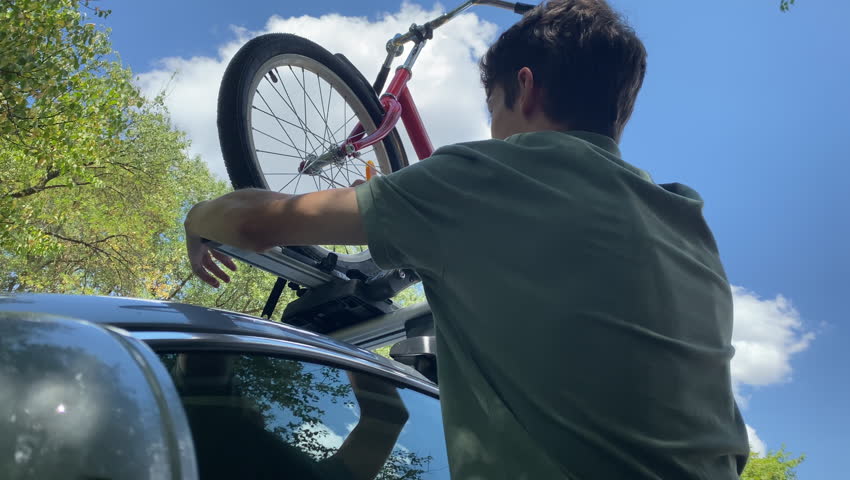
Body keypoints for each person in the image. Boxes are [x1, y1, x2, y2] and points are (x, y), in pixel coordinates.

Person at [184, 0, 750, 477]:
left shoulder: (488, 178)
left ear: (524, 88)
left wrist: (199, 218)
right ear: (617, 115)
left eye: (493, 108)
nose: (493, 129)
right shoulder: (686, 220)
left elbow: (259, 223)